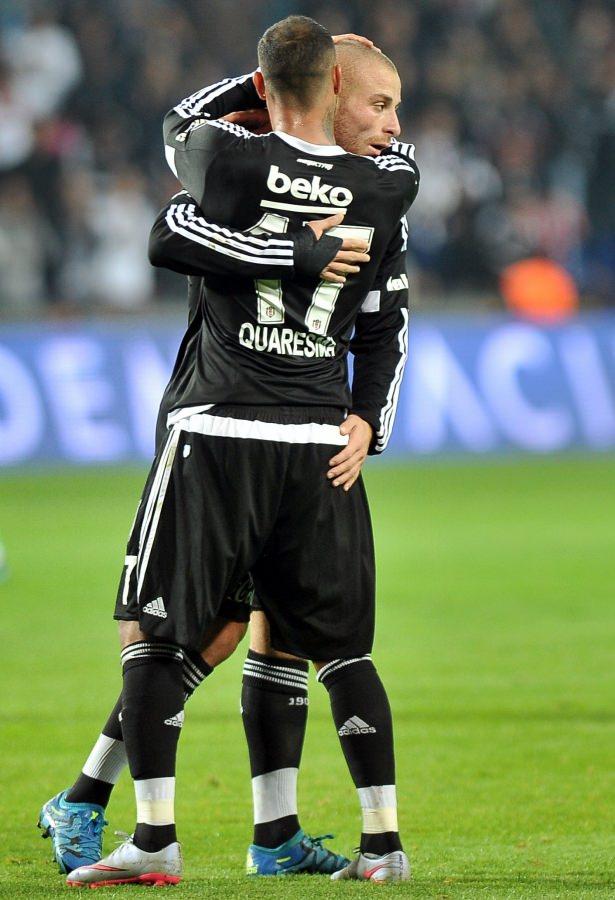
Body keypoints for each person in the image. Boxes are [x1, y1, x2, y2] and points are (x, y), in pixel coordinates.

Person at [57, 17, 418, 886]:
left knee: (188, 630)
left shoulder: (226, 162)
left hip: (235, 427)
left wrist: (268, 84)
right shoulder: (387, 187)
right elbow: (387, 319)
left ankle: (169, 822)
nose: (393, 125)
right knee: (255, 633)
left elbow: (173, 190)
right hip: (294, 435)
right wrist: (367, 413)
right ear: (334, 87)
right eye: (378, 103)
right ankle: (292, 832)